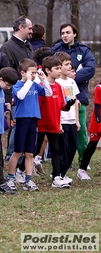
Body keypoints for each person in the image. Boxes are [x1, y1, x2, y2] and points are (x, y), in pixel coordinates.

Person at [51, 23, 96, 170]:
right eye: (62, 32)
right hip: (57, 96)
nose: (65, 35)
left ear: (74, 34)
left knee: (80, 130)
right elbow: (49, 67)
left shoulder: (83, 50)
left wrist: (72, 77)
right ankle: (63, 162)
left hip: (78, 95)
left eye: (68, 32)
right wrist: (63, 76)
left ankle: (83, 161)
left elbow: (90, 68)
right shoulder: (56, 49)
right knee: (60, 132)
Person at [5, 58, 52, 192]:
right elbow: (20, 96)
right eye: (31, 72)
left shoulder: (35, 85)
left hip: (33, 120)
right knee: (18, 151)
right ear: (23, 73)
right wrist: (29, 81)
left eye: (35, 72)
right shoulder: (18, 85)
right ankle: (10, 178)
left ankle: (28, 179)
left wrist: (43, 80)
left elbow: (49, 93)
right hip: (22, 120)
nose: (34, 75)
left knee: (30, 153)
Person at [35, 56, 75, 188]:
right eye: (56, 68)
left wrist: (68, 105)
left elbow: (61, 105)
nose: (59, 71)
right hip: (41, 126)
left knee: (56, 150)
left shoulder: (58, 86)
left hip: (54, 125)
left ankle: (57, 177)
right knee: (34, 150)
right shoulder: (41, 87)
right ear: (47, 70)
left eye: (60, 68)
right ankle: (20, 171)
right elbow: (38, 107)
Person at [0, 15, 34, 162]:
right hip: (16, 95)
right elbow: (7, 73)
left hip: (29, 94)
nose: (32, 31)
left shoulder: (28, 46)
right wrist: (9, 96)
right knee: (17, 127)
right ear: (21, 27)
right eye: (29, 28)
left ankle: (23, 161)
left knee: (27, 128)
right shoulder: (8, 47)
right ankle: (12, 158)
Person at [55, 52, 80, 182]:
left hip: (71, 120)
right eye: (66, 64)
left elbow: (75, 101)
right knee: (62, 149)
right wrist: (58, 122)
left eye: (70, 64)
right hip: (62, 120)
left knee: (73, 147)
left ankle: (63, 173)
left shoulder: (71, 82)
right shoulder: (57, 82)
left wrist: (76, 120)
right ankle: (59, 173)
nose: (69, 66)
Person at [78, 76, 101, 180]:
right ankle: (82, 169)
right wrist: (98, 120)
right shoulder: (99, 88)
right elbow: (97, 106)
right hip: (98, 122)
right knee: (92, 145)